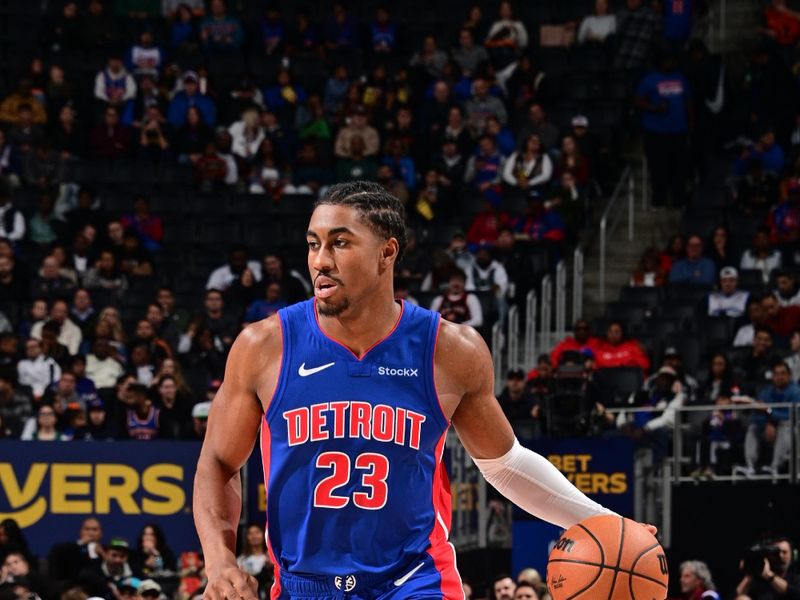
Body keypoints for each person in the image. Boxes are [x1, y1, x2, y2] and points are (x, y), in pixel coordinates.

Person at [193, 182, 652, 600]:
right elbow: (217, 462)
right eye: (314, 244)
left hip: (415, 581)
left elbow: (506, 465)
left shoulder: (450, 350)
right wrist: (218, 560)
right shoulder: (264, 346)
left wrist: (602, 520)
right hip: (302, 586)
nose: (320, 260)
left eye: (340, 243)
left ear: (386, 253)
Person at [736, 362, 800, 475]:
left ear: (789, 375)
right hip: (769, 429)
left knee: (785, 425)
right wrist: (768, 423)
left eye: (783, 373)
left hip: (792, 433)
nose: (779, 377)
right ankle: (750, 466)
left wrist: (769, 412)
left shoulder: (796, 392)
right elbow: (756, 416)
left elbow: (792, 416)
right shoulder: (767, 392)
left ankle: (775, 467)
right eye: (776, 374)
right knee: (753, 427)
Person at [735, 535, 800, 599]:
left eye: (784, 552)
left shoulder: (796, 580)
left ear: (793, 556)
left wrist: (768, 574)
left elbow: (795, 594)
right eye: (776, 552)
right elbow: (734, 597)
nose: (780, 556)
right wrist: (750, 572)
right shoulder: (757, 580)